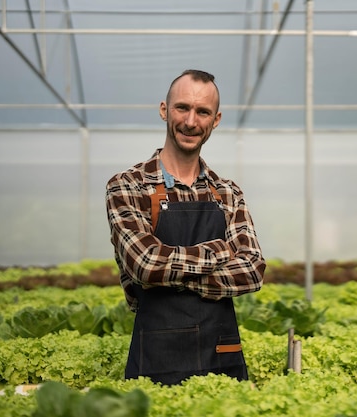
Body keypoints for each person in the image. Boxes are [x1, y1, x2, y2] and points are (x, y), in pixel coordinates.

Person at [105, 69, 265, 385]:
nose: (191, 121)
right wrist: (221, 250)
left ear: (215, 120)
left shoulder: (228, 192)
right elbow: (145, 264)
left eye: (202, 112)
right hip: (156, 356)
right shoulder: (128, 186)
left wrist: (171, 279)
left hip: (222, 352)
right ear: (165, 110)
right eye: (182, 108)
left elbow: (252, 270)